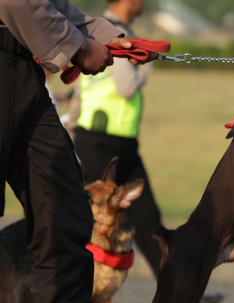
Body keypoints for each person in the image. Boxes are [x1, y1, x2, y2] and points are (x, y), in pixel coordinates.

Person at [0, 1, 155, 303]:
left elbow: (49, 4)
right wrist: (79, 48)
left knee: (68, 219)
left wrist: (103, 34)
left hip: (24, 78)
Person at [70, 0, 223, 302]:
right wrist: (148, 60)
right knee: (80, 222)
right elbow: (127, 87)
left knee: (150, 222)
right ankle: (73, 289)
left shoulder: (105, 31)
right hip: (98, 142)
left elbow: (81, 91)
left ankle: (179, 294)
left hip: (121, 143)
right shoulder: (116, 36)